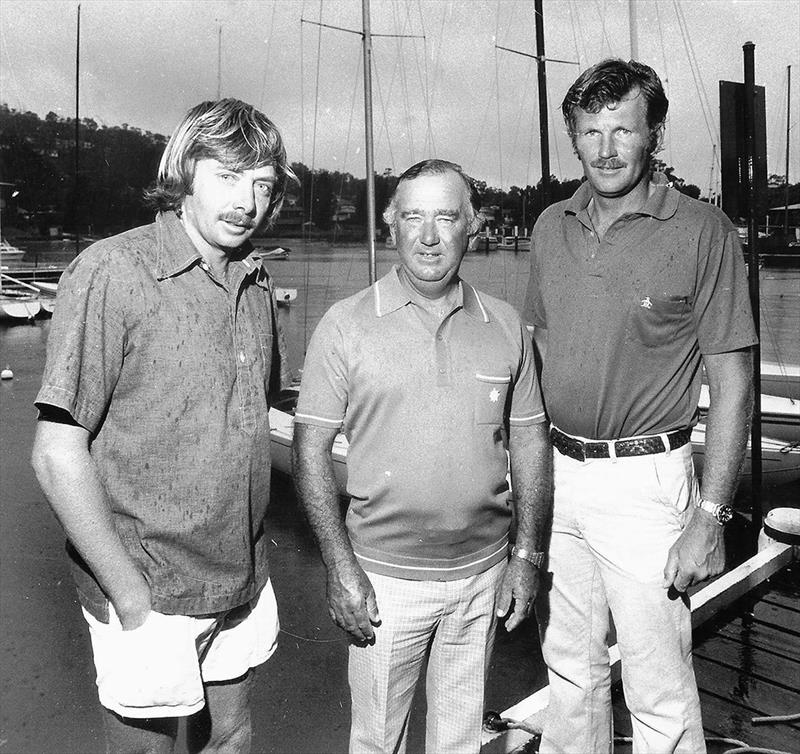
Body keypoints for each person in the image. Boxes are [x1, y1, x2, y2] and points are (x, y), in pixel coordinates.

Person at [31, 98, 294, 753]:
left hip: (241, 578)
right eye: (229, 176)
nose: (247, 201)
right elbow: (57, 455)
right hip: (148, 590)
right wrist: (130, 600)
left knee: (231, 737)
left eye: (262, 184)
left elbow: (248, 421)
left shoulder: (256, 280)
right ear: (185, 170)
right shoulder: (112, 271)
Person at [524, 59, 757, 753]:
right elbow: (533, 361)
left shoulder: (703, 231)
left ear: (654, 133)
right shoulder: (549, 227)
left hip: (647, 485)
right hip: (560, 480)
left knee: (658, 688)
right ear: (574, 139)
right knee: (569, 671)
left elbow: (735, 383)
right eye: (591, 131)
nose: (606, 148)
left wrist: (709, 519)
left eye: (623, 129)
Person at [292, 159, 552, 754]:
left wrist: (527, 556)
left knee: (459, 742)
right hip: (383, 583)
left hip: (483, 577)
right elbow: (309, 451)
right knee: (375, 742)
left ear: (472, 226)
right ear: (391, 225)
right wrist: (339, 567)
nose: (429, 236)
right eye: (413, 216)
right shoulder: (345, 325)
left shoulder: (507, 326)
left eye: (446, 217)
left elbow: (532, 443)